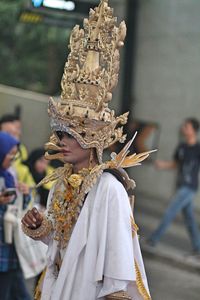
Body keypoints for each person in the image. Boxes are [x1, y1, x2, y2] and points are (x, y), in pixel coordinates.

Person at [21, 1, 152, 299]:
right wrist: (41, 227)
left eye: (71, 135)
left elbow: (118, 264)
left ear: (93, 138)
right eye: (59, 134)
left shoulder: (109, 189)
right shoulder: (60, 182)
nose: (62, 142)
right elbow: (60, 242)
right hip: (60, 285)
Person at [148, 118, 200, 253]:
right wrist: (162, 165)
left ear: (194, 130)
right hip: (180, 185)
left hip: (189, 188)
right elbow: (176, 164)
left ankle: (154, 239)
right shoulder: (181, 147)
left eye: (187, 127)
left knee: (171, 211)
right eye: (184, 126)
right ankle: (198, 247)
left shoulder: (198, 149)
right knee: (189, 219)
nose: (184, 128)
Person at [0, 131, 31, 300]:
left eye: (14, 154)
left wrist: (25, 194)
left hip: (10, 248)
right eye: (9, 154)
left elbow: (20, 208)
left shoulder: (10, 175)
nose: (12, 158)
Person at [0, 114, 35, 187]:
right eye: (8, 133)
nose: (17, 134)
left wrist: (26, 192)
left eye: (17, 130)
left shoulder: (21, 150)